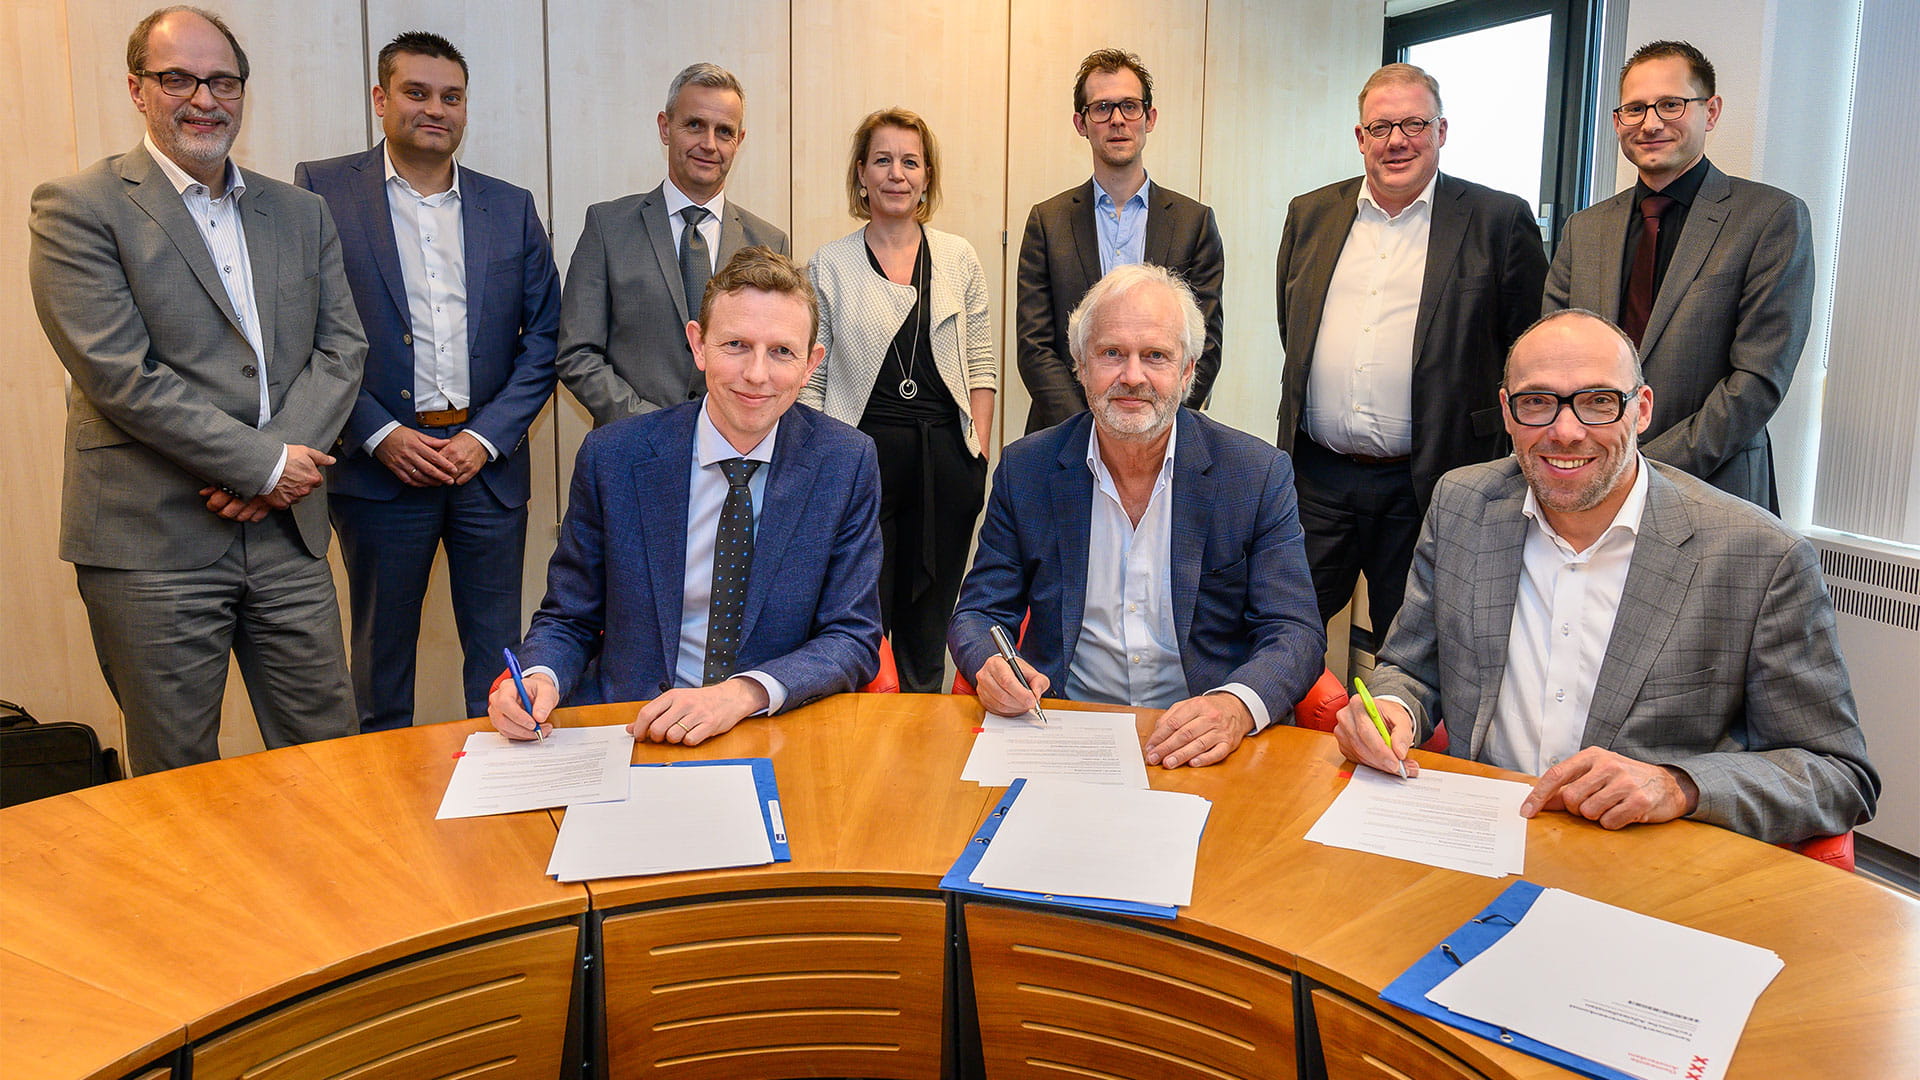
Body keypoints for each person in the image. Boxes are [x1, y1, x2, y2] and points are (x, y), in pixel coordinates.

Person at [1334, 310, 1877, 845]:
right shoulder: (1462, 505)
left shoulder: (1759, 556)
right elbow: (1411, 666)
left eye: (1598, 402)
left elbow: (1836, 774)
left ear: (1641, 410)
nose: (1565, 431)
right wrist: (1391, 708)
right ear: (1506, 411)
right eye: (1537, 402)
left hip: (1645, 863)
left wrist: (1680, 785)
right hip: (1480, 837)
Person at [28, 6, 364, 774]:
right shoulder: (78, 207)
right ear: (137, 88)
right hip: (153, 544)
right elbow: (118, 373)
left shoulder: (302, 212)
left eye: (222, 80)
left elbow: (343, 349)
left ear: (243, 92)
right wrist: (267, 468)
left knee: (331, 761)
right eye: (177, 78)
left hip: (287, 539)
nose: (203, 99)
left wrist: (275, 471)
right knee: (179, 779)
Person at [490, 248, 882, 745]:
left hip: (769, 730)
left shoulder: (844, 462)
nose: (757, 374)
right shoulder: (615, 457)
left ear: (811, 364)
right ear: (698, 345)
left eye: (782, 351)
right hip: (631, 726)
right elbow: (570, 617)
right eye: (736, 344)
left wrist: (740, 695)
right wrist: (539, 676)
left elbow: (852, 636)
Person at [950, 264, 1323, 769]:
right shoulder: (1027, 469)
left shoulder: (1255, 475)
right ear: (1080, 366)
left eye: (1155, 356)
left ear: (1188, 370)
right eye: (1111, 354)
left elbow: (1295, 630)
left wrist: (1235, 707)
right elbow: (979, 612)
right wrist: (990, 663)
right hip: (1063, 729)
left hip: (1205, 742)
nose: (1132, 376)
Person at [296, 32, 560, 731]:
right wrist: (378, 434)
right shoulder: (322, 193)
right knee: (381, 665)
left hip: (487, 470)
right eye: (416, 92)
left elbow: (544, 343)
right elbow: (309, 334)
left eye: (451, 96)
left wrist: (487, 437)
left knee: (498, 661)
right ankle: (382, 819)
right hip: (380, 473)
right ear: (381, 99)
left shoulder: (510, 206)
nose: (435, 108)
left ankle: (507, 802)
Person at [1276, 63, 1547, 637]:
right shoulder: (1311, 214)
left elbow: (1529, 355)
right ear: (1360, 138)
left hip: (1430, 481)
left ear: (1441, 131)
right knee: (1284, 630)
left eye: (1414, 124)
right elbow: (1293, 329)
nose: (1397, 140)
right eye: (1380, 127)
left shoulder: (1497, 221)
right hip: (1317, 479)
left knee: (1416, 648)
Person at [1545, 40, 1812, 512]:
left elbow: (1757, 380)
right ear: (1617, 122)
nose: (1651, 123)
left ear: (1710, 112)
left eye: (1671, 104)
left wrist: (1642, 470)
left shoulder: (1770, 218)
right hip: (1589, 484)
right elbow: (1555, 359)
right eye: (1634, 109)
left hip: (1714, 487)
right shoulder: (1584, 229)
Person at [801, 109, 996, 693]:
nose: (896, 173)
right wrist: (818, 462)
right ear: (861, 173)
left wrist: (978, 452)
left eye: (910, 161)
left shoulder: (960, 257)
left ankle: (922, 745)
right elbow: (812, 376)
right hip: (859, 463)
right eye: (882, 160)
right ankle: (867, 748)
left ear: (928, 176)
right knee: (863, 618)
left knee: (930, 623)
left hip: (947, 465)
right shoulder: (827, 263)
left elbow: (982, 366)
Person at [555, 63, 789, 427]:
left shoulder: (769, 243)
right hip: (634, 447)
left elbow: (777, 357)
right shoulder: (607, 227)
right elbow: (577, 352)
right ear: (666, 128)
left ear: (739, 141)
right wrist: (652, 424)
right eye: (694, 125)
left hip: (738, 451)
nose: (709, 144)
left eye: (724, 131)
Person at [1015, 48, 1224, 434]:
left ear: (1150, 118)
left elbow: (1203, 345)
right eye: (1102, 108)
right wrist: (1087, 428)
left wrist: (1152, 422)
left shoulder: (1194, 223)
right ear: (1081, 123)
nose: (1117, 120)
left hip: (1164, 434)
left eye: (1130, 106)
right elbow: (1034, 347)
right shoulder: (1048, 222)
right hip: (1064, 436)